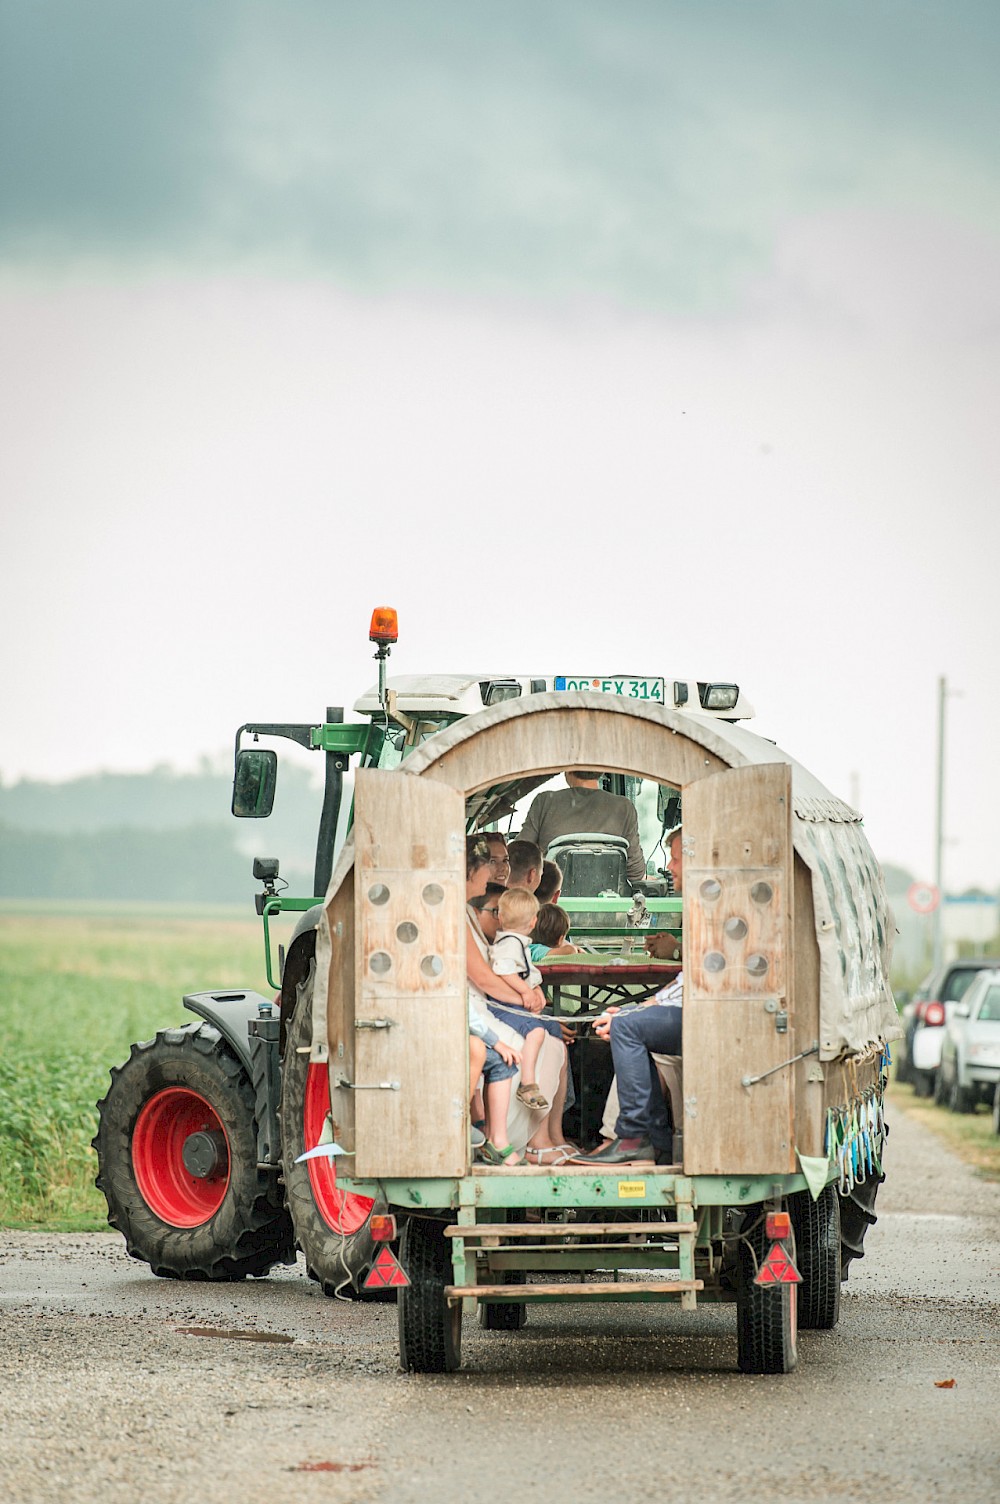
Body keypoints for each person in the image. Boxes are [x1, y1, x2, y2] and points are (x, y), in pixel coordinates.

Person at [572, 828, 684, 1166]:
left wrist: (633, 1015)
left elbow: (700, 983)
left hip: (708, 1014)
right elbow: (689, 979)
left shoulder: (714, 906)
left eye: (677, 858)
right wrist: (641, 1006)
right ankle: (657, 1144)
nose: (671, 867)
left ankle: (632, 1136)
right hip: (690, 1006)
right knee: (629, 1025)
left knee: (626, 1029)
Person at [465, 835, 573, 1163]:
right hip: (478, 1010)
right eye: (493, 861)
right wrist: (527, 998)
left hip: (493, 1005)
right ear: (471, 868)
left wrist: (533, 997)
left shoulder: (479, 912)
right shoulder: (459, 914)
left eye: (505, 860)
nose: (501, 868)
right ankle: (526, 1140)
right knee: (538, 1043)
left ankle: (548, 1136)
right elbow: (484, 977)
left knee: (556, 1041)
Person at [518, 771, 647, 886]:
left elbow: (520, 856)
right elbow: (635, 872)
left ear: (568, 772)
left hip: (552, 904)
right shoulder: (624, 807)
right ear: (601, 773)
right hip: (609, 907)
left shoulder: (545, 802)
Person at [488, 886, 550, 1111]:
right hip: (504, 1005)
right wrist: (526, 991)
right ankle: (527, 1083)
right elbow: (503, 970)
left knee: (551, 1029)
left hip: (514, 1001)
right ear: (534, 922)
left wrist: (537, 991)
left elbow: (529, 973)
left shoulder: (517, 943)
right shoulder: (509, 944)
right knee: (536, 1031)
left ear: (501, 917)